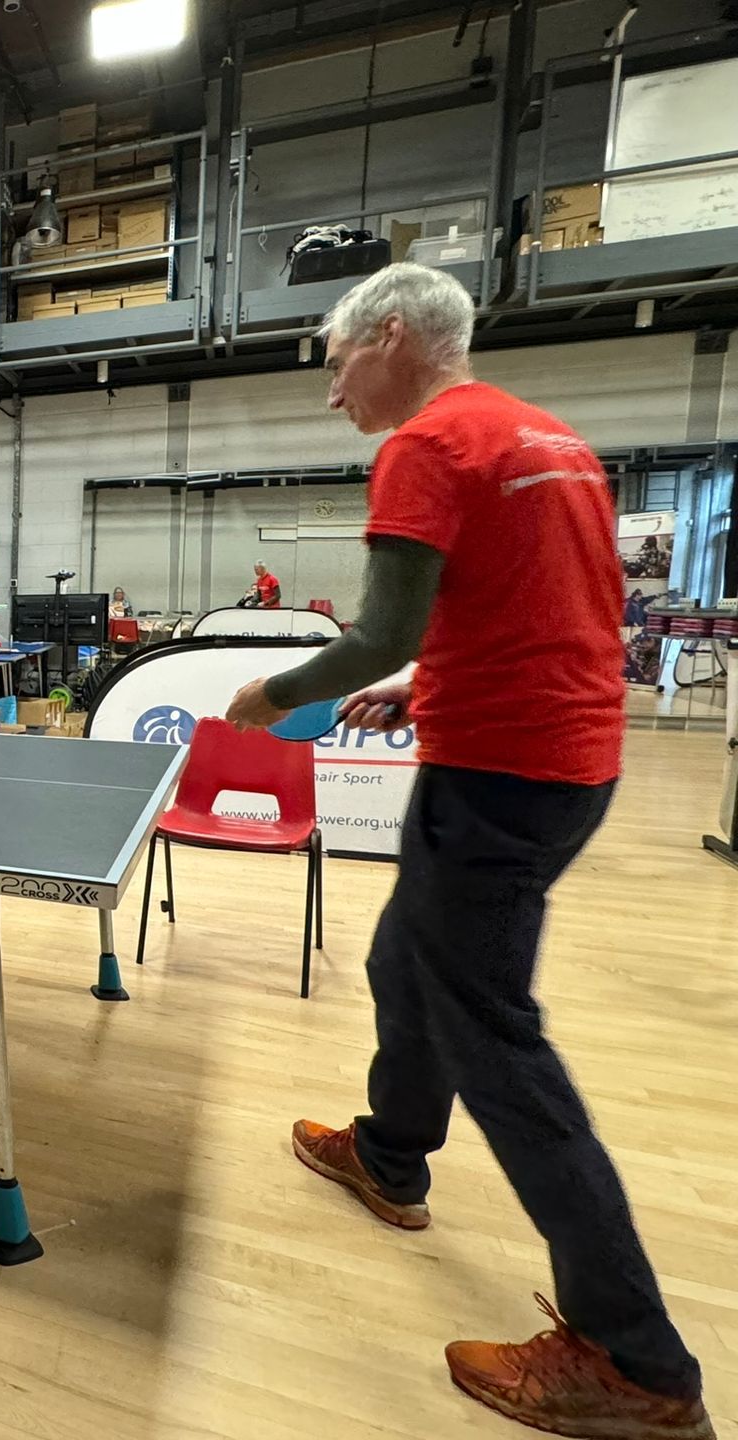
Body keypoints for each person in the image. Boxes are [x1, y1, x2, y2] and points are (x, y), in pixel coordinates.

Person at [224, 263, 710, 1440]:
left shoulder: (429, 445)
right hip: (565, 763)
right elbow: (545, 615)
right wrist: (424, 690)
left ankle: (635, 1358)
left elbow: (377, 628)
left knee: (497, 1045)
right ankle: (391, 1155)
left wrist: (269, 693)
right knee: (407, 964)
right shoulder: (548, 436)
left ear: (392, 335)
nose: (335, 392)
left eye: (338, 362)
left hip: (497, 782)